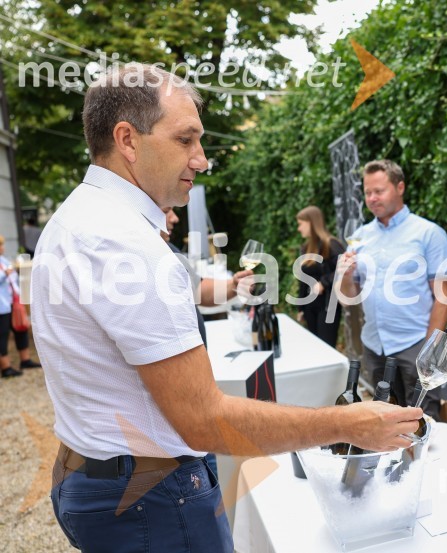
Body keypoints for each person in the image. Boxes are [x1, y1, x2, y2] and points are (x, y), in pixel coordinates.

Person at [31, 63, 422, 553]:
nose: (202, 159)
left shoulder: (80, 217)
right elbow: (205, 420)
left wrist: (227, 289)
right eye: (186, 140)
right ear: (127, 140)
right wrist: (347, 424)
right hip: (151, 498)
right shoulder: (126, 245)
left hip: (92, 476)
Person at [336, 160, 447, 417]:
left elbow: (443, 296)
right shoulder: (361, 236)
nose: (372, 198)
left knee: (423, 422)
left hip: (415, 346)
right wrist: (345, 276)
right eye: (367, 193)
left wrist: (430, 349)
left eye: (379, 191)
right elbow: (349, 300)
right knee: (385, 421)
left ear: (400, 187)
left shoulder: (429, 234)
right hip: (374, 347)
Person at [161, 206, 252, 345]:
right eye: (166, 211)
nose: (175, 218)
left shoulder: (170, 250)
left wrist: (234, 285)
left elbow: (198, 290)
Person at [295, 205, 345, 347]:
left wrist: (323, 282)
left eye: (301, 224)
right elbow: (303, 280)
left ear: (311, 222)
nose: (299, 229)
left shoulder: (331, 245)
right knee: (314, 347)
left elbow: (343, 269)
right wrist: (301, 308)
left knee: (327, 346)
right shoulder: (305, 247)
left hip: (328, 306)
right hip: (310, 306)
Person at [0, 234, 40, 378]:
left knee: (21, 329)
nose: (2, 248)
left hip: (12, 302)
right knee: (2, 335)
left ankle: (25, 360)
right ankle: (5, 368)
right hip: (2, 306)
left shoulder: (3, 260)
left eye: (2, 244)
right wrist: (5, 273)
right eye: (0, 245)